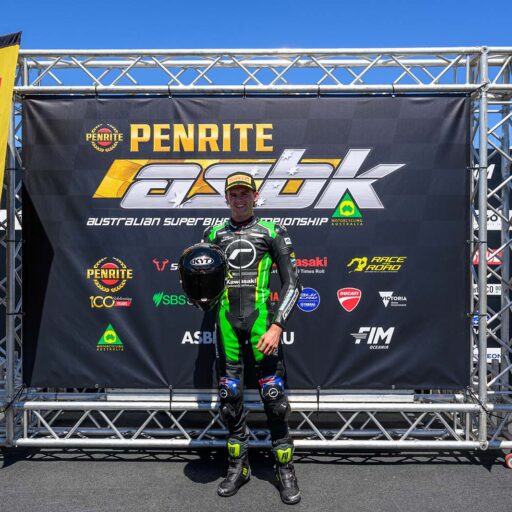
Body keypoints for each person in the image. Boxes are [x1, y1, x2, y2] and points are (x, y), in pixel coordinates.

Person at [202, 171, 302, 505]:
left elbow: (293, 283)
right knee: (229, 399)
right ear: (226, 198)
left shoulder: (272, 231)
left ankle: (285, 470)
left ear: (255, 196)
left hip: (262, 325)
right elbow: (201, 281)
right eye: (234, 194)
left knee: (275, 400)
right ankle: (238, 467)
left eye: (245, 193)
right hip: (227, 324)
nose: (240, 199)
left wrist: (277, 326)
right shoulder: (213, 234)